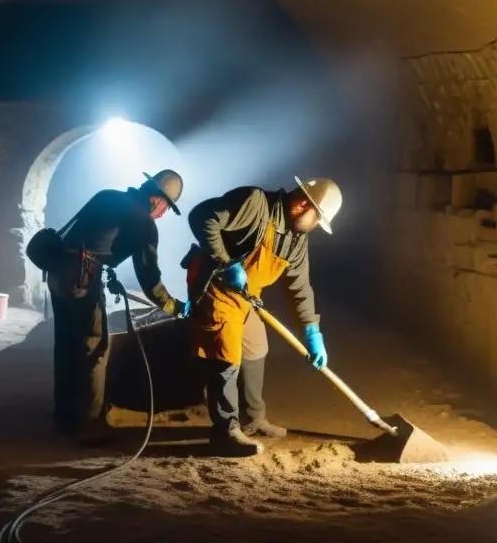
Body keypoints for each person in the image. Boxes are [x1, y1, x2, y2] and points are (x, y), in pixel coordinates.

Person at [183, 176, 342, 456]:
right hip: (218, 287)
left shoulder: (296, 239)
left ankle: (252, 418)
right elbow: (201, 217)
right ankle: (225, 431)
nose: (317, 226)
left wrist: (312, 331)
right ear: (304, 204)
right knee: (226, 355)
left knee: (257, 347)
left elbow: (300, 287)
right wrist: (227, 262)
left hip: (246, 297)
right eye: (318, 219)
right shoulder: (255, 203)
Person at [42, 170, 187, 444]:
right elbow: (149, 276)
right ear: (156, 199)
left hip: (57, 273)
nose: (164, 213)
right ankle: (89, 423)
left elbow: (84, 236)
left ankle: (65, 417)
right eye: (167, 207)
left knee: (66, 345)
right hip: (82, 278)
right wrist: (172, 305)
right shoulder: (143, 222)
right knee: (95, 348)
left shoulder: (108, 195)